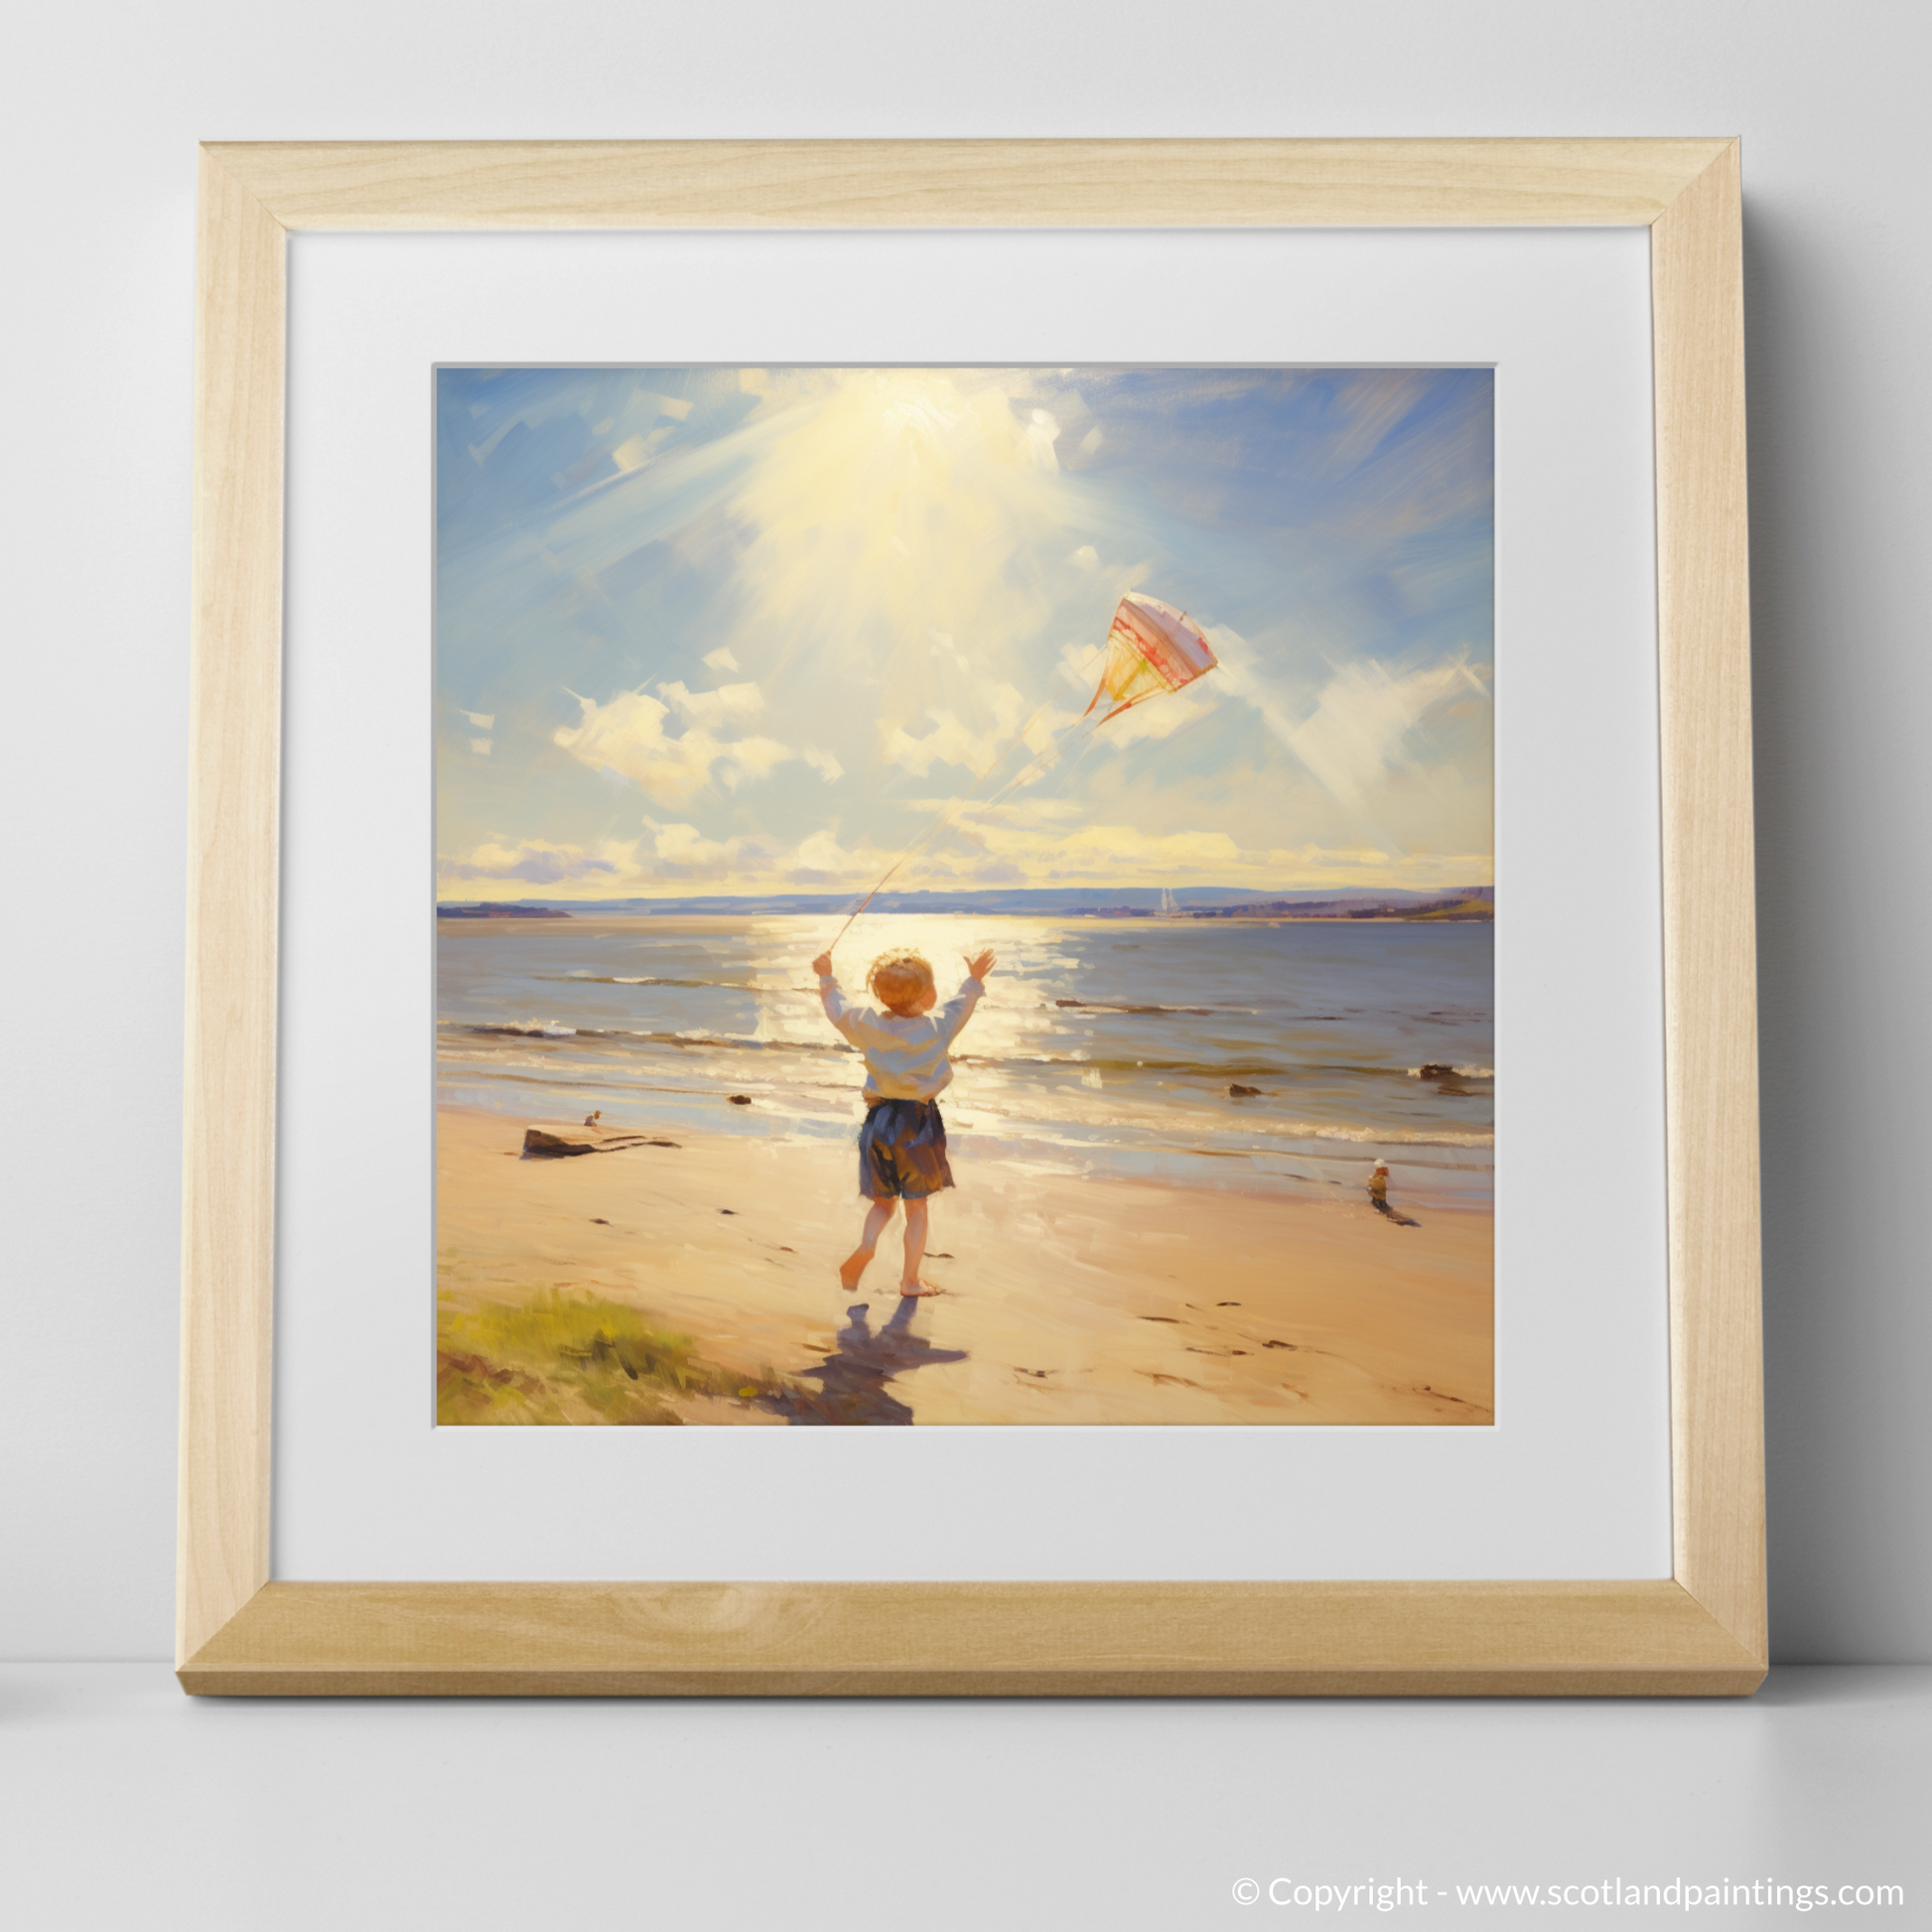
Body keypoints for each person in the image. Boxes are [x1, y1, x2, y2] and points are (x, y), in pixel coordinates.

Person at [810, 944, 996, 1297]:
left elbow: (837, 1011)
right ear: (927, 997)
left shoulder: (866, 1024)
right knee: (917, 1209)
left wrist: (826, 977)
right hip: (917, 1124)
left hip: (878, 1121)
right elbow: (962, 1006)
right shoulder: (938, 1028)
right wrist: (974, 980)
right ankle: (909, 1281)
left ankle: (866, 1246)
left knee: (883, 1205)